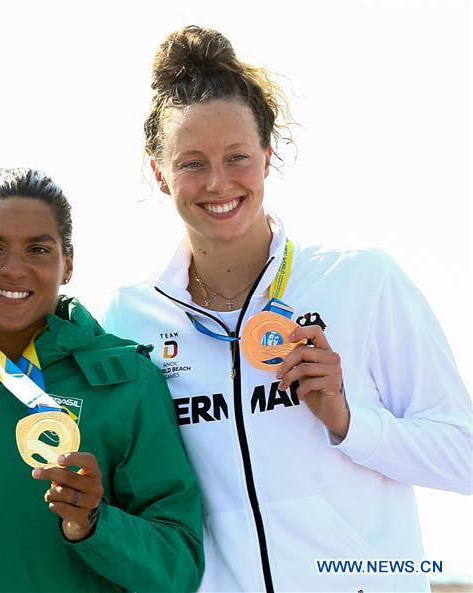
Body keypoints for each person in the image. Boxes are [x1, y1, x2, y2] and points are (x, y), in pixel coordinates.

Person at [101, 25, 473, 592]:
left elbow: (463, 456)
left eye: (238, 157)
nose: (218, 182)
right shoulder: (128, 320)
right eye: (192, 163)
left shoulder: (360, 279)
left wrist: (351, 423)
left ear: (268, 158)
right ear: (158, 172)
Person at [0, 166, 204, 592]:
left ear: (68, 264)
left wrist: (94, 523)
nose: (14, 269)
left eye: (38, 250)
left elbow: (178, 567)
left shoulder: (126, 382)